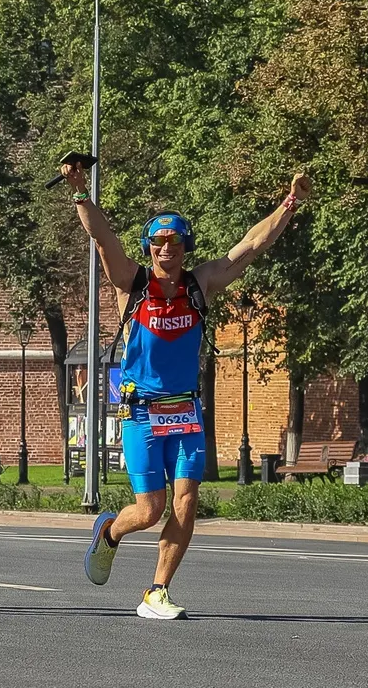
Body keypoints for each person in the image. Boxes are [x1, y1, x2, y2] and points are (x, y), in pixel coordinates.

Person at [67, 162, 313, 619]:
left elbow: (252, 246)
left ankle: (156, 591)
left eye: (174, 241)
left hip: (184, 412)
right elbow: (103, 237)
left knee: (187, 500)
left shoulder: (200, 284)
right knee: (150, 509)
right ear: (148, 247)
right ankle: (110, 533)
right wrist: (81, 193)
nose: (166, 249)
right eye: (158, 242)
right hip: (141, 411)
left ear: (185, 247)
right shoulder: (132, 284)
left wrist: (290, 202)